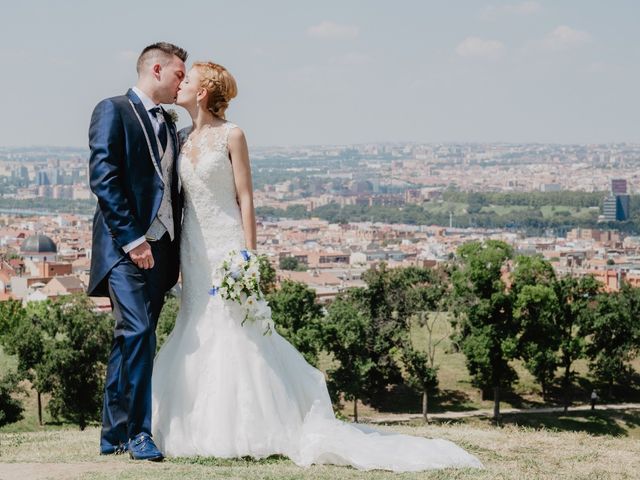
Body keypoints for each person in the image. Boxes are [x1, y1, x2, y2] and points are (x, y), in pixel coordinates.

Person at [151, 61, 483, 471]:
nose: (179, 85)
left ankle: (246, 426)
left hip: (226, 246)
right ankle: (188, 425)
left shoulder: (232, 135)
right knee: (197, 326)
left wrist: (248, 256)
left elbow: (246, 198)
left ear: (202, 92)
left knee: (236, 329)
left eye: (188, 81)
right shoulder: (183, 139)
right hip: (193, 249)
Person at [88, 42, 187, 461]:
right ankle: (139, 434)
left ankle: (112, 435)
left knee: (129, 340)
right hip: (124, 248)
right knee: (140, 334)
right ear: (158, 69)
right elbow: (104, 179)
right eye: (180, 74)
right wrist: (133, 240)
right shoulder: (112, 110)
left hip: (163, 250)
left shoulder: (169, 121)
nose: (184, 82)